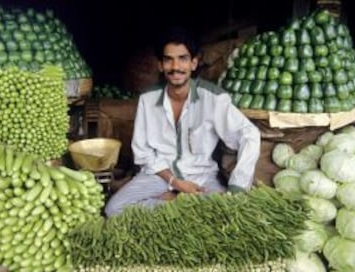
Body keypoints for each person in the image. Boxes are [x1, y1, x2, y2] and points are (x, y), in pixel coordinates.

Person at [105, 27, 260, 217]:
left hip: (201, 178)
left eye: (182, 58)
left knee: (223, 211)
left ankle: (171, 205)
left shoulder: (213, 98)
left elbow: (249, 134)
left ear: (194, 63)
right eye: (168, 59)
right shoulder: (147, 99)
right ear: (160, 65)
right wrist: (176, 183)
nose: (175, 66)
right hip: (158, 176)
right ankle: (178, 207)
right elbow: (143, 152)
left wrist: (237, 186)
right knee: (113, 209)